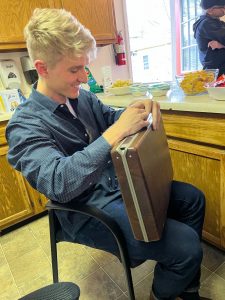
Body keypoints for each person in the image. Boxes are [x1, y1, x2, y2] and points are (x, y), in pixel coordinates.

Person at [6, 8, 209, 300]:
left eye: (84, 67)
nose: (83, 78)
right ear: (42, 68)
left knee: (193, 200)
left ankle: (184, 290)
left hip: (117, 187)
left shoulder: (81, 97)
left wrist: (135, 110)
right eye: (74, 69)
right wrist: (113, 134)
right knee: (186, 245)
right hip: (87, 212)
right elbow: (59, 184)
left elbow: (111, 118)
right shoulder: (24, 126)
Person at [193, 0, 225, 76]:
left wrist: (222, 45)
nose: (224, 10)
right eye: (222, 7)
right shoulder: (207, 23)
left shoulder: (214, 23)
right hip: (217, 72)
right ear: (210, 10)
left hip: (215, 70)